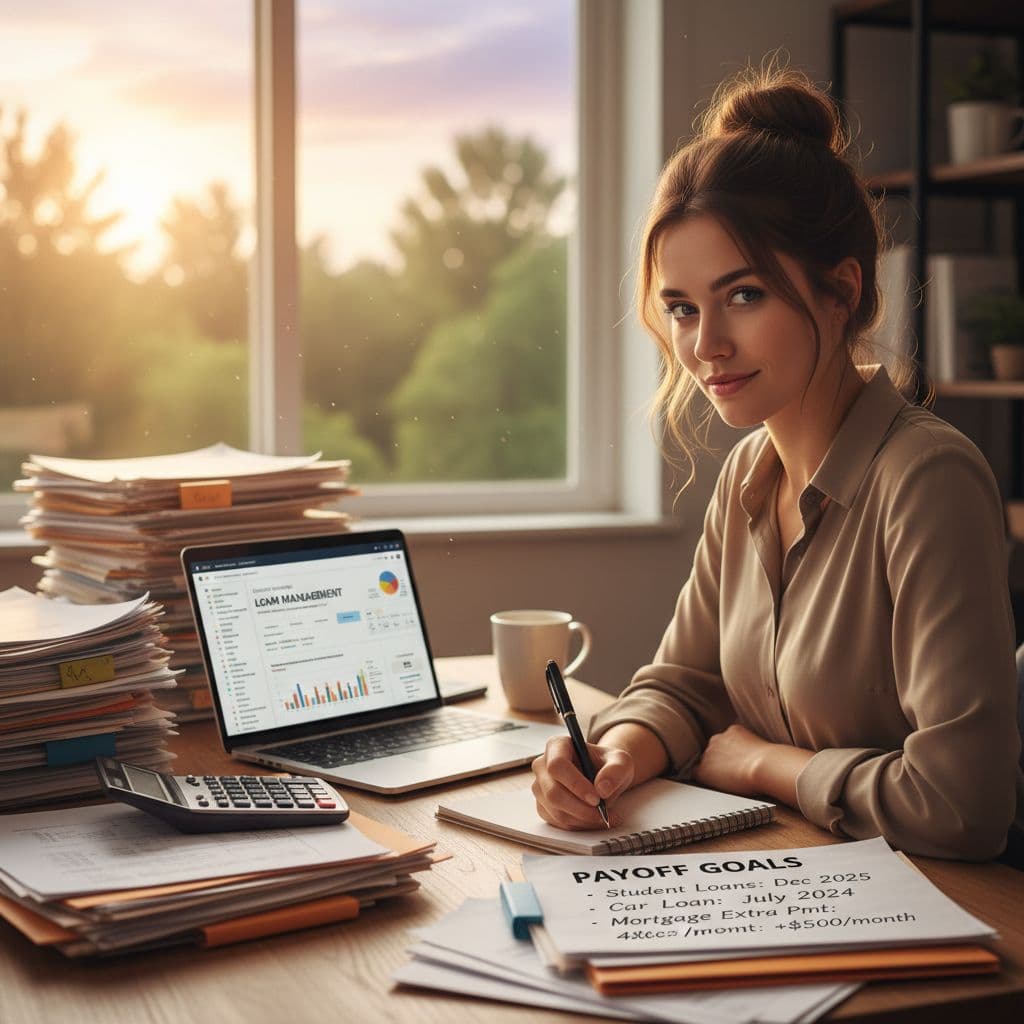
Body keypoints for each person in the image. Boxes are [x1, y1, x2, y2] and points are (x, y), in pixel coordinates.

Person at [531, 63, 1024, 861]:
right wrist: (615, 750)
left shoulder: (928, 481)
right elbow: (684, 684)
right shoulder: (750, 473)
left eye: (745, 296)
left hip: (936, 907)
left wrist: (765, 764)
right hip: (793, 870)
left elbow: (962, 804)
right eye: (683, 309)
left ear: (841, 291)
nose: (704, 346)